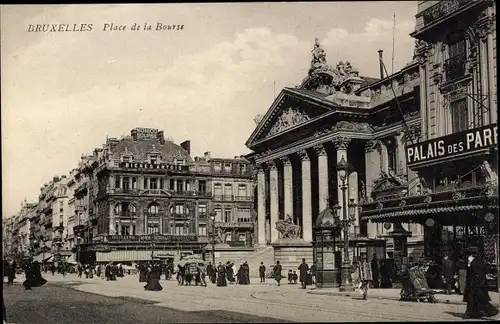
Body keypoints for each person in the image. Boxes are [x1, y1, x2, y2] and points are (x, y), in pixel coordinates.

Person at [464, 251, 499, 318]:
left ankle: (473, 313)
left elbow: (471, 272)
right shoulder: (481, 262)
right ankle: (480, 312)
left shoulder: (473, 262)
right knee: (481, 299)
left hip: (474, 283)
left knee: (473, 299)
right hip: (481, 283)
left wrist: (469, 264)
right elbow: (484, 271)